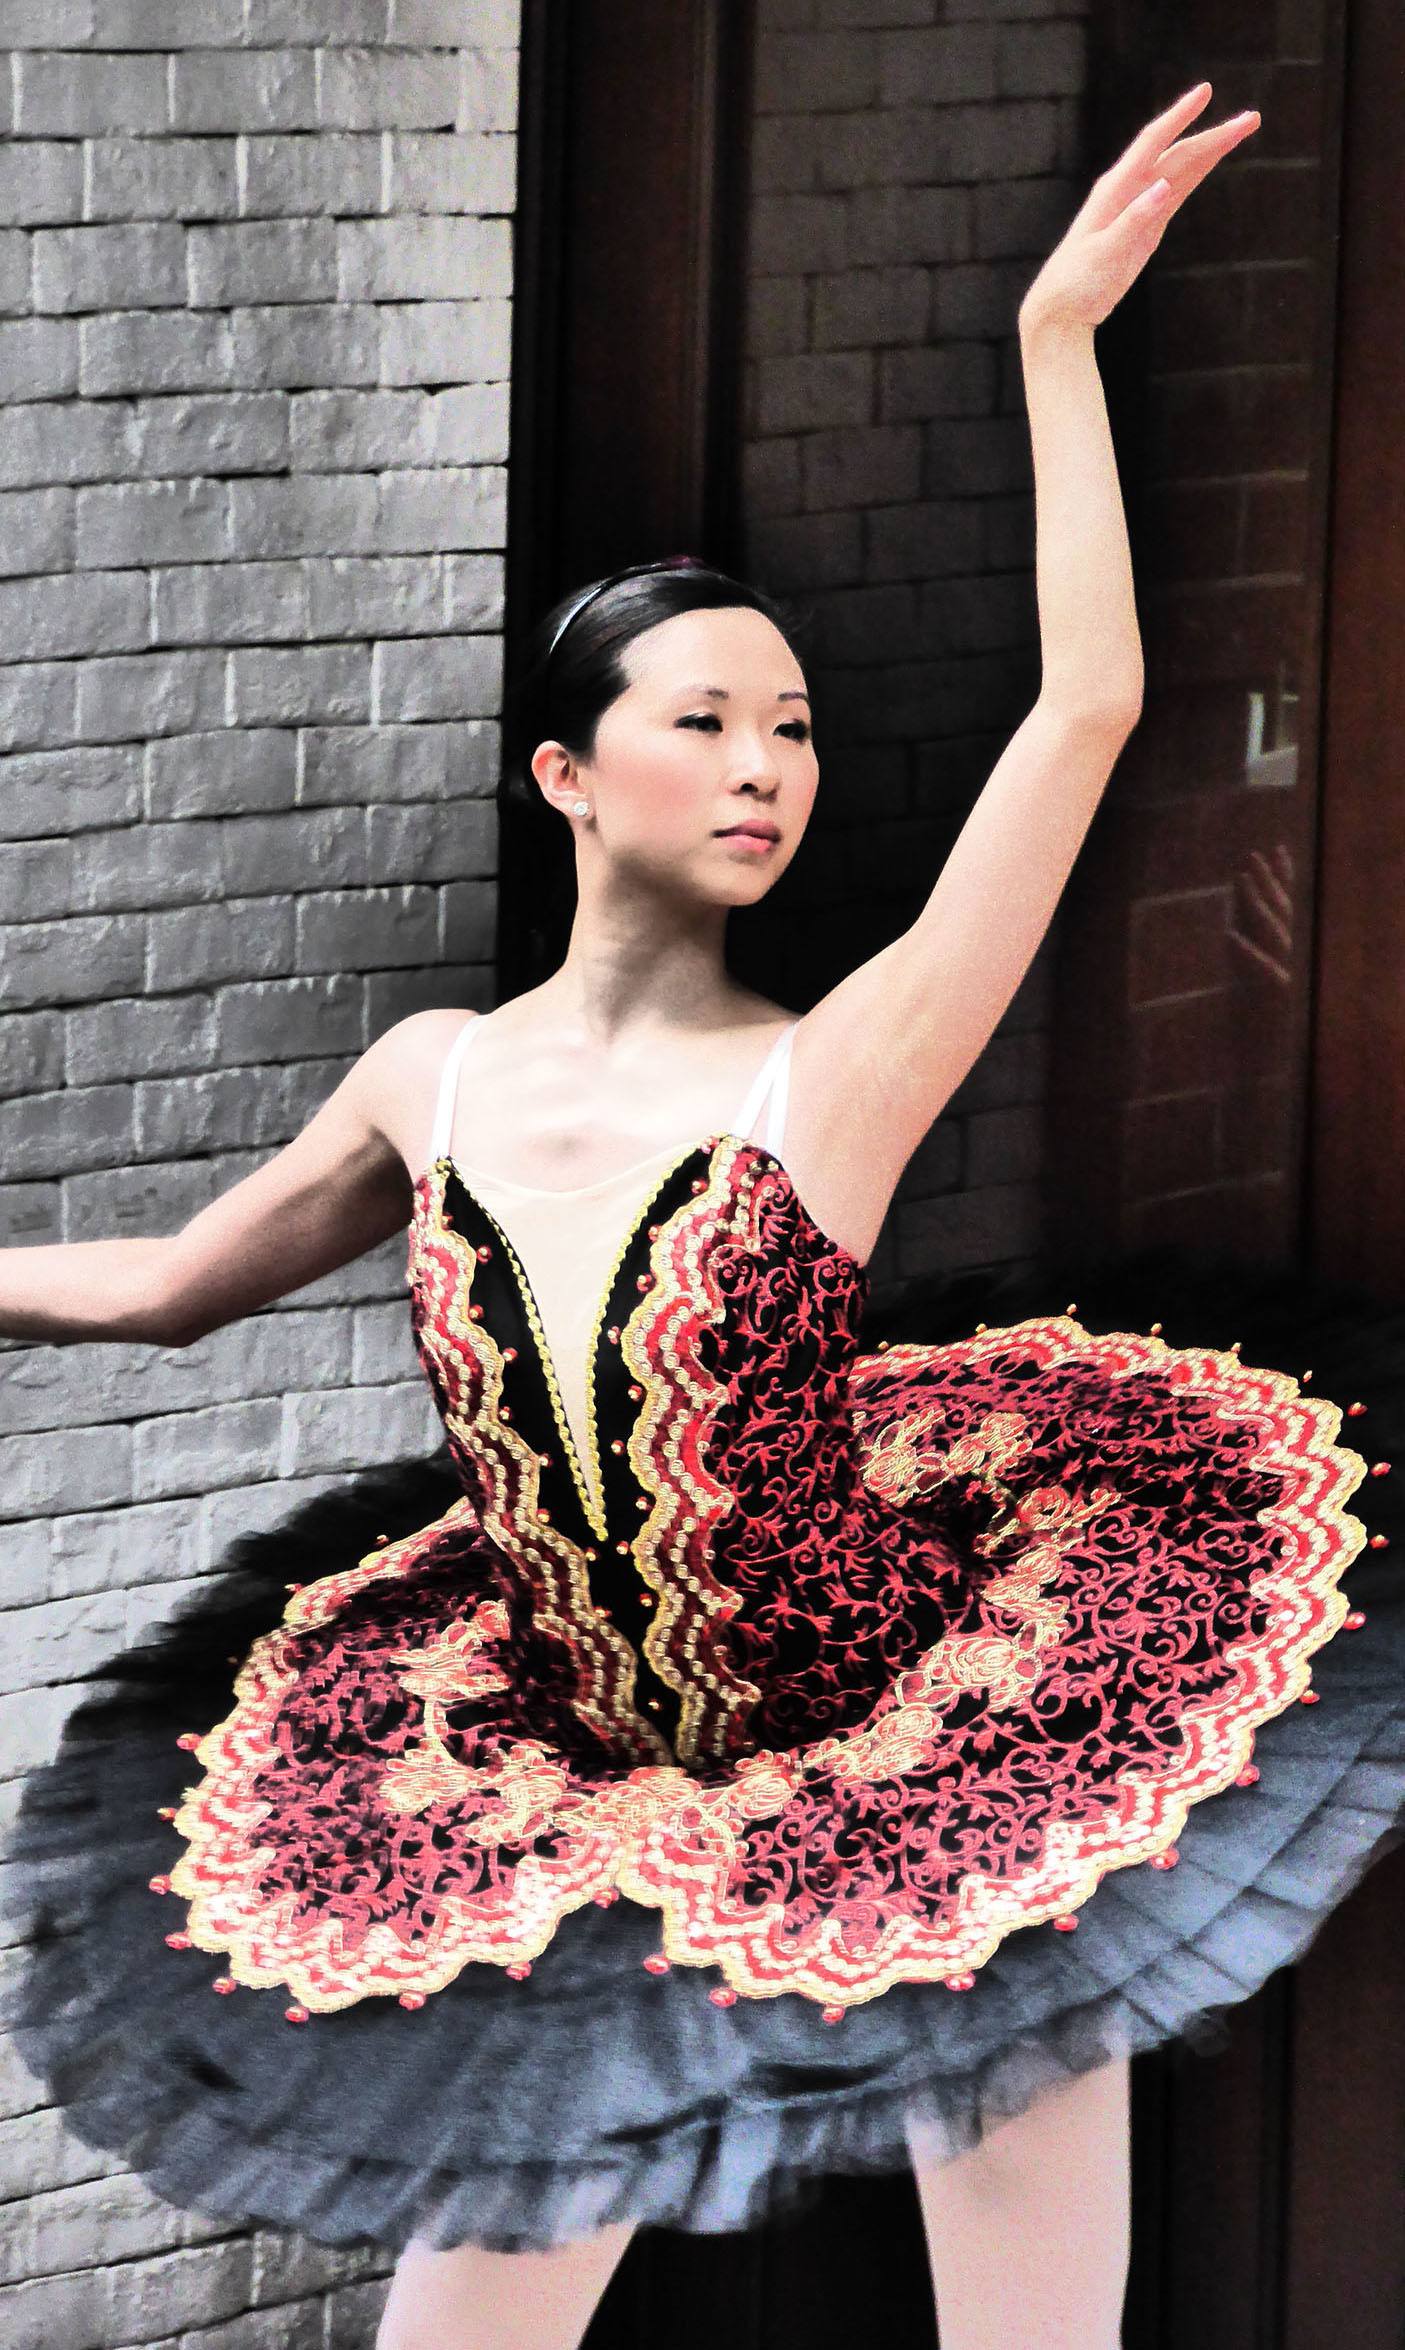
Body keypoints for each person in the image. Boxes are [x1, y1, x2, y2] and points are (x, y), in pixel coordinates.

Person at [3, 79, 1403, 2350]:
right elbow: (168, 1288)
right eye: (707, 720)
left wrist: (1058, 347)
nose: (767, 763)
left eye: (797, 726)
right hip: (567, 1778)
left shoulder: (826, 1063)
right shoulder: (428, 1078)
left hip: (930, 1749)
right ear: (566, 769)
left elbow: (1090, 705)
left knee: (1034, 2331)